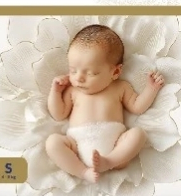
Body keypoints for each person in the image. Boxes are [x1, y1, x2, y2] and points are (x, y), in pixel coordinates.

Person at [45, 24, 165, 183]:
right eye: (73, 70)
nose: (79, 78)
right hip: (76, 146)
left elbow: (137, 107)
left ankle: (109, 161)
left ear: (115, 72)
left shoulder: (120, 87)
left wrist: (151, 89)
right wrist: (55, 92)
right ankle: (83, 172)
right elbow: (58, 114)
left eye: (91, 73)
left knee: (138, 134)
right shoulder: (73, 91)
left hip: (115, 147)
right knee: (52, 143)